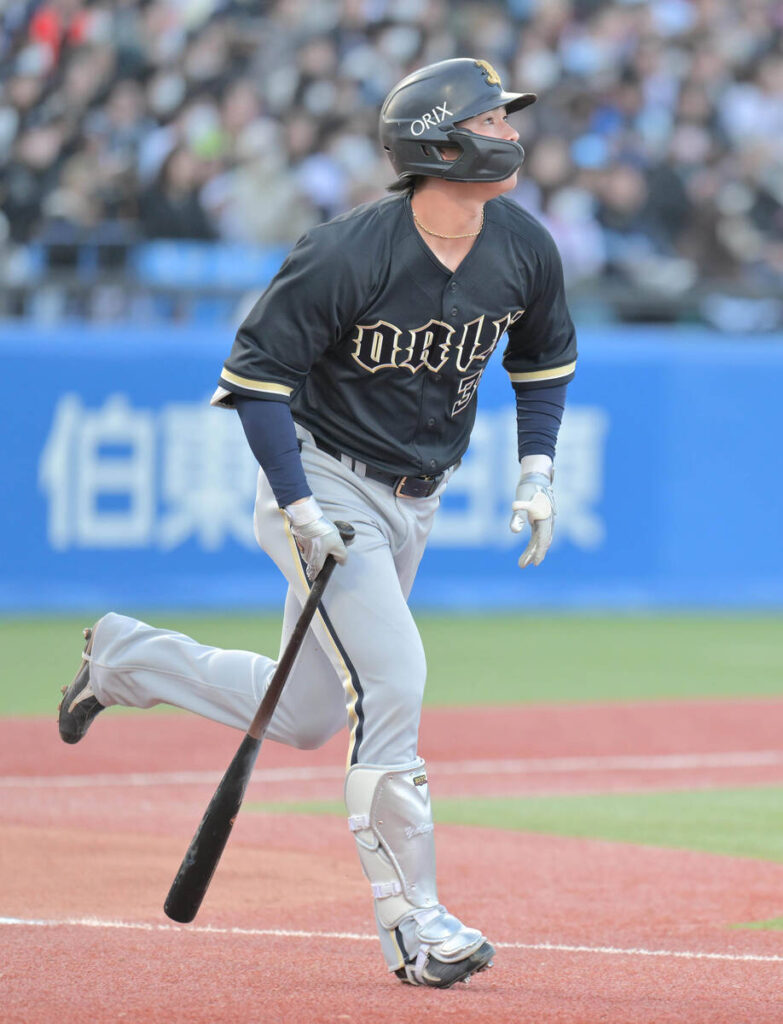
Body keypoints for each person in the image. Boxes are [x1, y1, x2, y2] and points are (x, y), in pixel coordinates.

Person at [58, 58, 577, 989]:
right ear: (440, 141)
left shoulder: (522, 245)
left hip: (416, 496)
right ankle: (414, 926)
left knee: (301, 714)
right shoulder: (346, 250)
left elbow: (540, 362)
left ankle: (124, 659)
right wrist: (297, 504)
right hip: (325, 481)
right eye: (491, 121)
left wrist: (537, 466)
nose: (507, 132)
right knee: (396, 683)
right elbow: (257, 380)